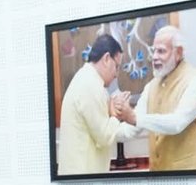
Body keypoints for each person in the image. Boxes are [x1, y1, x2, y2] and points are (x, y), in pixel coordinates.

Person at [109, 26, 196, 172]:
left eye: (161, 51)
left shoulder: (195, 80)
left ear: (178, 52)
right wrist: (103, 129)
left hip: (192, 175)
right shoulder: (150, 87)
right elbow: (131, 129)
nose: (154, 57)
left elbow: (177, 123)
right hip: (160, 176)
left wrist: (134, 117)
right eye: (154, 51)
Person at [56, 34, 138, 175]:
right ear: (106, 59)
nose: (116, 74)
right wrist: (115, 115)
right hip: (83, 176)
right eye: (116, 67)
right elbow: (104, 137)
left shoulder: (88, 80)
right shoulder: (90, 85)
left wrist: (111, 109)